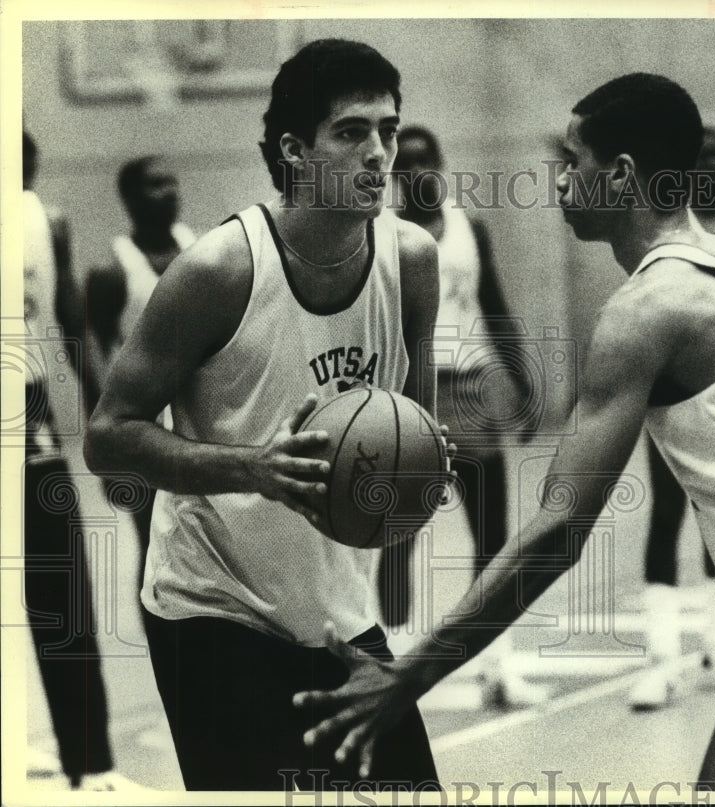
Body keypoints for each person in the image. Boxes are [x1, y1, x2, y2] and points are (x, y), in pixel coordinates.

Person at [295, 73, 715, 790]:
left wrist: (408, 679)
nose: (558, 181)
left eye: (571, 161)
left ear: (619, 175)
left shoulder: (645, 309)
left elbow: (558, 529)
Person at [86, 39, 443, 791]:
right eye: (351, 132)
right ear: (293, 149)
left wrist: (417, 474)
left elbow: (420, 432)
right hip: (212, 610)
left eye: (387, 129)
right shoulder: (220, 270)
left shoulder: (411, 260)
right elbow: (108, 436)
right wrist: (252, 467)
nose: (379, 153)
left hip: (340, 611)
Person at [381, 125, 543, 707]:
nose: (421, 172)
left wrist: (522, 381)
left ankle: (496, 666)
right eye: (410, 163)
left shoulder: (471, 228)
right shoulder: (382, 234)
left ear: (443, 165)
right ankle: (391, 660)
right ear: (396, 171)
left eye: (430, 161)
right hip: (408, 391)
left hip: (471, 389)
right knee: (397, 533)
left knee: (493, 538)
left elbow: (493, 305)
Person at [629, 128, 715, 710]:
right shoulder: (665, 231)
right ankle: (661, 659)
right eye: (699, 160)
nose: (710, 169)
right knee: (666, 515)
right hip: (672, 395)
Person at [21, 132, 144, 792]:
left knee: (61, 592)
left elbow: (73, 327)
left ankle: (92, 764)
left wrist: (108, 420)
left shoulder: (47, 221)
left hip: (28, 413)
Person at [86, 156, 196, 593]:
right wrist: (105, 444)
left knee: (203, 545)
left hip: (199, 416)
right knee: (152, 543)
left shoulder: (203, 248)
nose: (168, 190)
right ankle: (160, 651)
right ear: (128, 198)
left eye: (171, 180)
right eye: (155, 184)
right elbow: (94, 358)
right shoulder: (112, 272)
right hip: (143, 425)